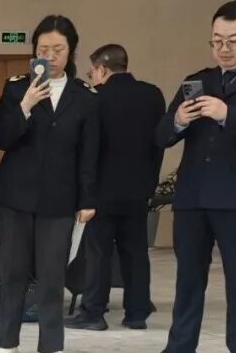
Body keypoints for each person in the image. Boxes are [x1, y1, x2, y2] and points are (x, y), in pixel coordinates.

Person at [0, 15, 99, 353]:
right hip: (16, 195)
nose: (50, 56)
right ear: (34, 52)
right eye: (43, 49)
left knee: (52, 274)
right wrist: (26, 105)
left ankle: (51, 347)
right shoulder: (16, 88)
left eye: (58, 49)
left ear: (71, 51)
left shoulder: (85, 96)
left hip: (59, 197)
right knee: (12, 271)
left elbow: (89, 152)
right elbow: (2, 138)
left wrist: (87, 199)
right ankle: (6, 343)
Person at [146, 0, 236, 353]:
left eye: (233, 40)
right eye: (217, 41)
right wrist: (178, 119)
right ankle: (180, 349)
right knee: (188, 277)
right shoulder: (198, 80)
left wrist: (227, 114)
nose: (224, 48)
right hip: (193, 197)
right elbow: (161, 136)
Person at [65, 43, 165, 332]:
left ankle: (93, 312)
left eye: (92, 72)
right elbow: (158, 143)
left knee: (98, 253)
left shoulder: (96, 98)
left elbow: (90, 149)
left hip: (103, 189)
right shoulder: (152, 95)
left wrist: (85, 191)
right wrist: (150, 181)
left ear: (101, 69)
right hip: (139, 188)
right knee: (136, 252)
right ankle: (137, 313)